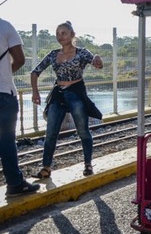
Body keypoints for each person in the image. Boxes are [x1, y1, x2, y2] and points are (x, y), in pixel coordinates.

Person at [31, 21, 103, 179]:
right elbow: (35, 72)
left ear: (72, 35)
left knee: (83, 130)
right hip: (58, 94)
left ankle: (88, 165)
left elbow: (96, 64)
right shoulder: (52, 54)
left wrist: (97, 58)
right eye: (58, 33)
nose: (60, 36)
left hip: (76, 93)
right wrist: (35, 93)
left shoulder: (82, 53)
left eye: (63, 33)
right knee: (51, 132)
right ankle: (46, 168)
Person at [0, 17, 40, 197]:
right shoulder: (5, 26)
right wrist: (6, 73)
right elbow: (20, 59)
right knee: (6, 141)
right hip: (4, 94)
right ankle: (15, 184)